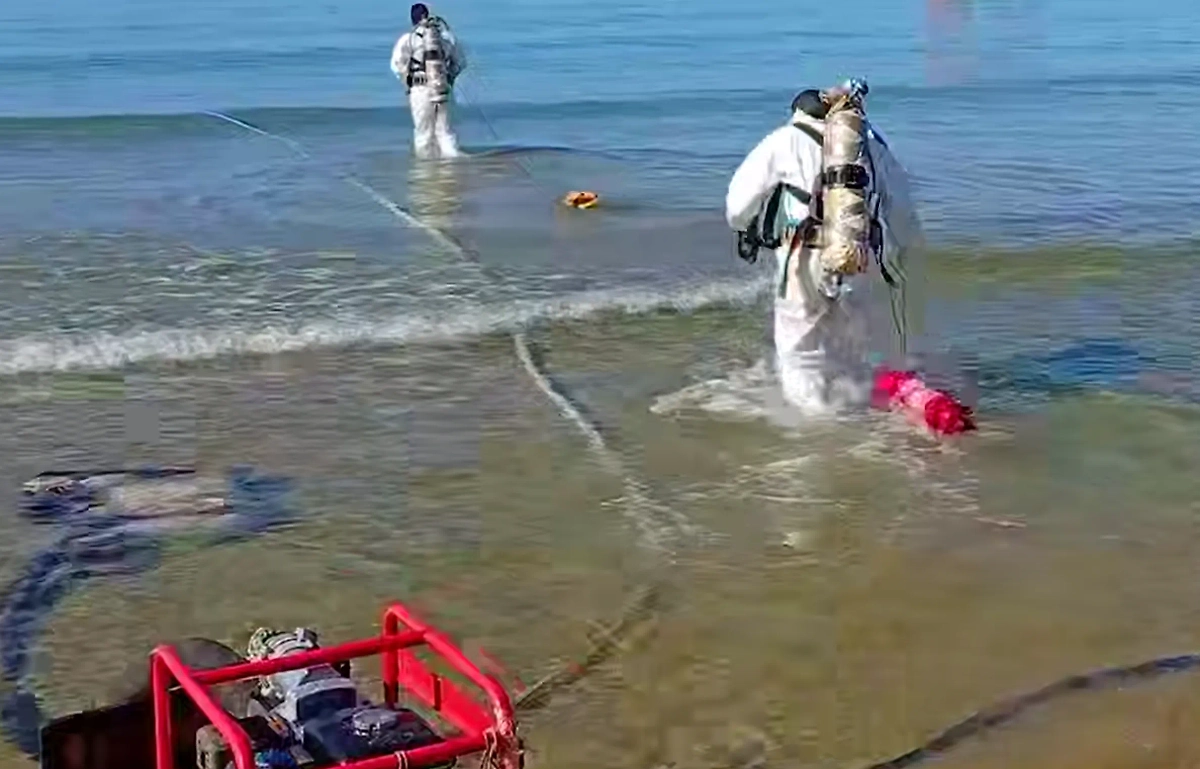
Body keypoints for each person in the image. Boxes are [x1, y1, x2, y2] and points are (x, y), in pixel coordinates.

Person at [725, 87, 924, 416]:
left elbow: (738, 204)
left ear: (798, 112)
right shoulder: (869, 145)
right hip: (858, 256)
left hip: (805, 259)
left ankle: (818, 427)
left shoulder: (785, 140)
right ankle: (856, 412)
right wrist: (905, 249)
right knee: (850, 346)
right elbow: (902, 209)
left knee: (800, 351)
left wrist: (744, 229)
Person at [390, 3, 467, 159]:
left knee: (423, 134)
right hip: (442, 87)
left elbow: (396, 65)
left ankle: (425, 170)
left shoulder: (408, 39)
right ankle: (452, 166)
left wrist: (407, 81)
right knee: (445, 132)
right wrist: (449, 78)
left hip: (420, 90)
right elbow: (460, 63)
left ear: (413, 20)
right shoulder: (446, 38)